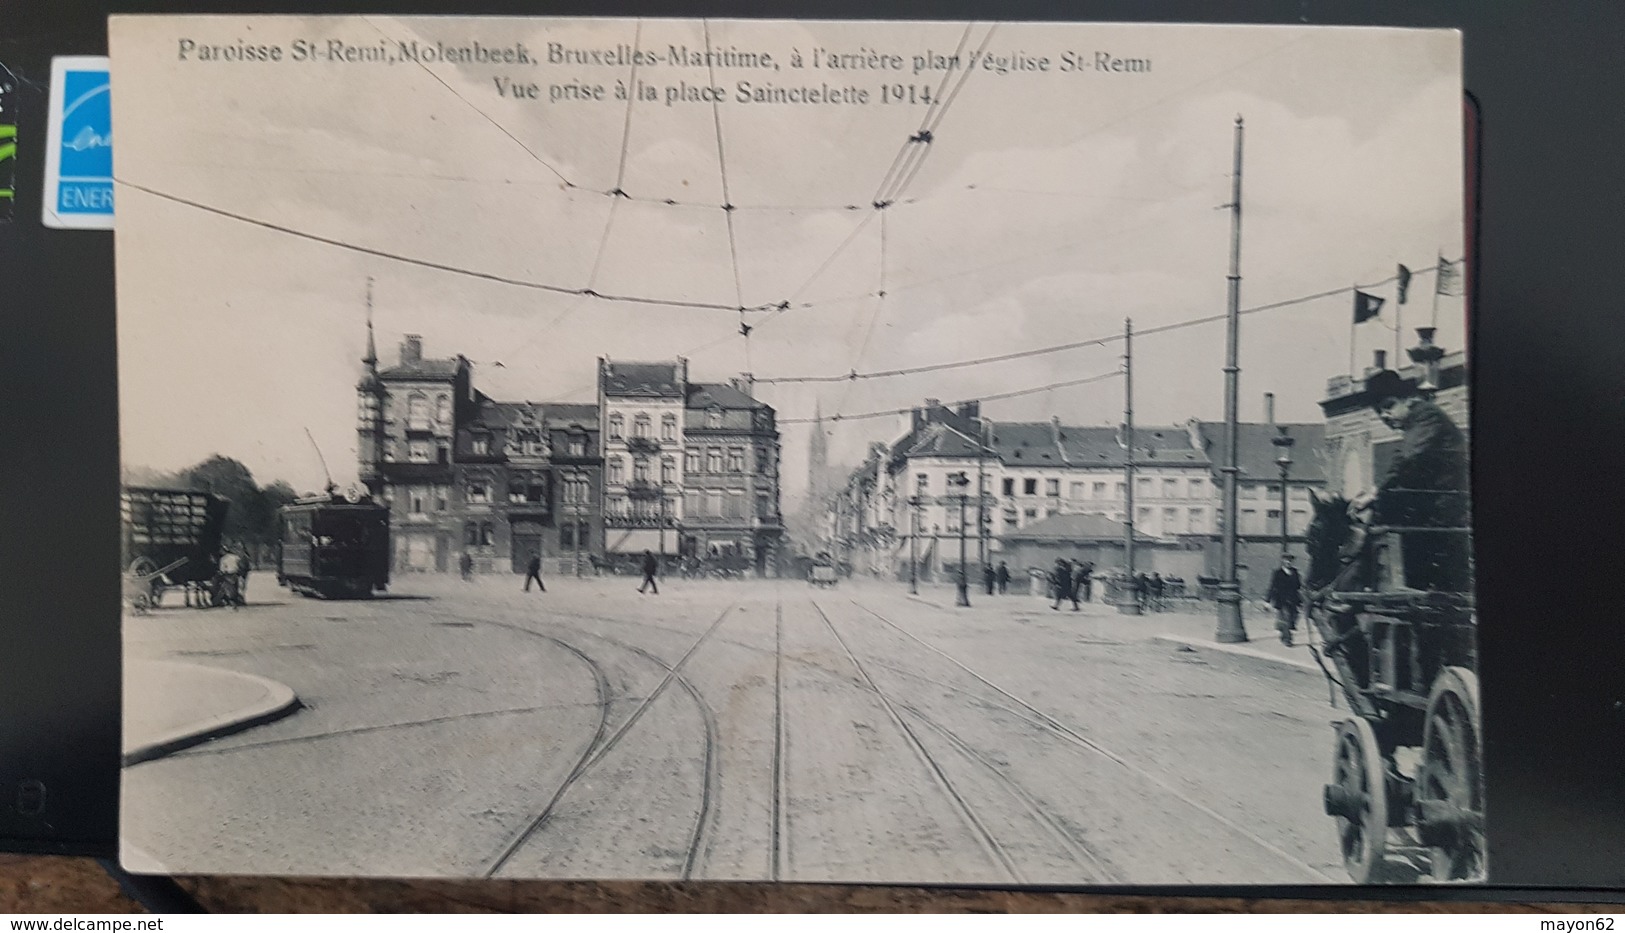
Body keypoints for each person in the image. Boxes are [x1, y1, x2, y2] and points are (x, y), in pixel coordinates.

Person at [1350, 370, 1471, 591]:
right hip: (1436, 503)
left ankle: (1373, 582)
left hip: (1447, 505)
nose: (1385, 415)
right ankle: (1372, 579)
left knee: (1383, 510)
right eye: (1379, 412)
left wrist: (1374, 493)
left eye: (1389, 405)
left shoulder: (1426, 416)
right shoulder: (1417, 423)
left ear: (1408, 398)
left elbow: (1408, 459)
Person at [1266, 554, 1304, 646]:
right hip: (1281, 600)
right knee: (1286, 618)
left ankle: (1282, 631)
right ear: (1283, 561)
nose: (1288, 562)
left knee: (1293, 618)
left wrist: (1301, 600)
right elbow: (1272, 587)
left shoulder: (1295, 572)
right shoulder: (1278, 573)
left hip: (1294, 600)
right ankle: (1288, 639)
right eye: (1286, 560)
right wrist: (1267, 601)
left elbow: (1298, 586)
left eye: (1290, 561)